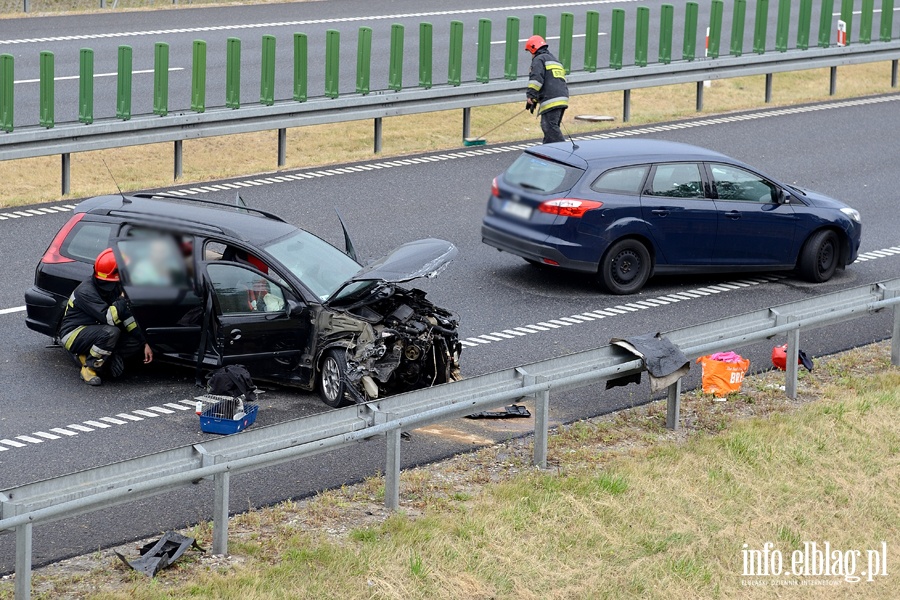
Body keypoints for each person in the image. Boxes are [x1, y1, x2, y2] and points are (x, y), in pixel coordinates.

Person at [58, 248, 153, 386]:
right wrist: (122, 300)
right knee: (111, 332)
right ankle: (90, 367)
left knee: (134, 342)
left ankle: (97, 358)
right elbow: (110, 318)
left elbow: (126, 317)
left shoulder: (112, 286)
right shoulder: (86, 292)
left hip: (96, 330)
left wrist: (144, 341)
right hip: (74, 334)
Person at [524, 35, 570, 144]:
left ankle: (565, 150)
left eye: (530, 52)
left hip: (551, 100)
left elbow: (536, 80)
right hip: (562, 97)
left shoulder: (538, 60)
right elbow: (550, 82)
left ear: (533, 48)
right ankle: (547, 151)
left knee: (549, 127)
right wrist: (535, 100)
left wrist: (531, 96)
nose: (531, 55)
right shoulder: (554, 60)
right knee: (551, 128)